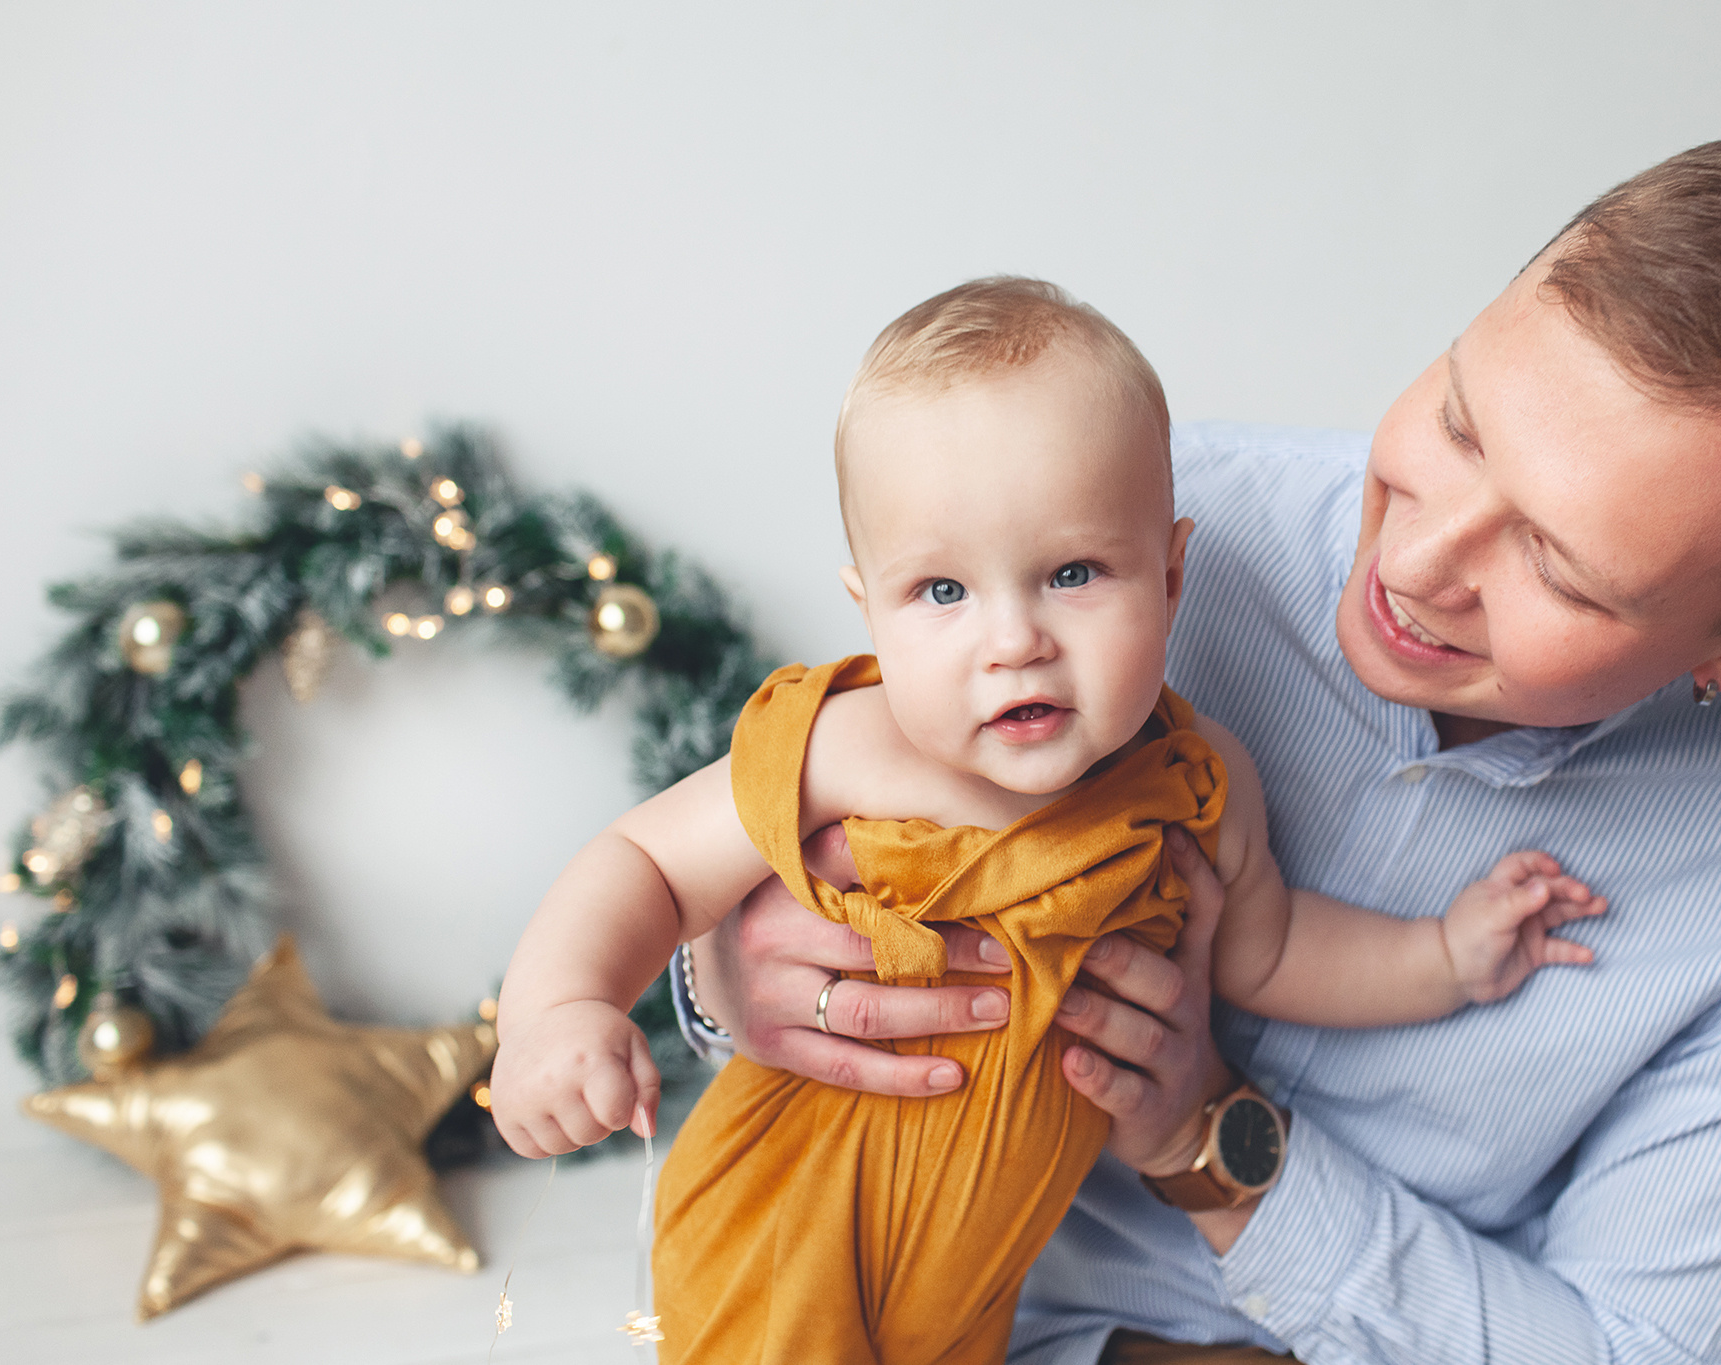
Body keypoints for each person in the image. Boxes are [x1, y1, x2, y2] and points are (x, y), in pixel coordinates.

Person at [675, 128, 1721, 1363]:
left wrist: (1211, 1137)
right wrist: (728, 971)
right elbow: (787, 808)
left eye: (1559, 562)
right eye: (1458, 423)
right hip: (954, 1300)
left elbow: (1639, 1349)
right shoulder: (1109, 536)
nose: (1418, 560)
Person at [488, 278, 1606, 1363]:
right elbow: (643, 860)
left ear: (1170, 580)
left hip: (982, 1279)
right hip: (788, 1223)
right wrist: (557, 1010)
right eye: (941, 593)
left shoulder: (1192, 782)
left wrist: (1443, 957)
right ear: (869, 611)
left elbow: (1272, 950)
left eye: (1071, 573)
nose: (1012, 639)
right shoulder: (849, 747)